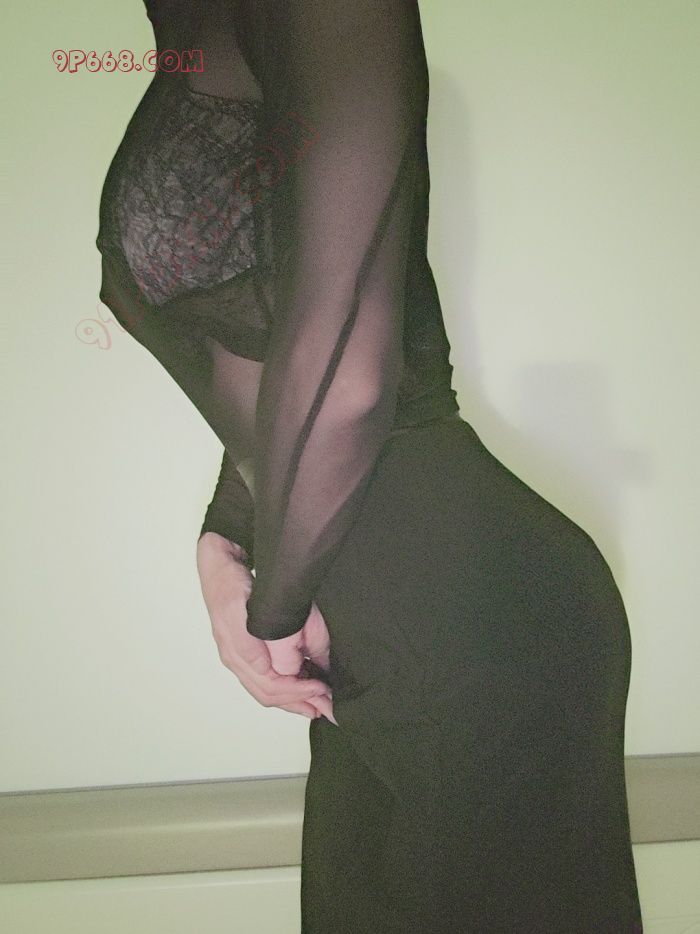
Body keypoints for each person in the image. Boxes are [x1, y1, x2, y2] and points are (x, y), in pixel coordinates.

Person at [95, 1, 644, 930]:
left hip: (474, 634)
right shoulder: (190, 31)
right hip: (378, 639)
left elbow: (348, 382)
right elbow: (269, 359)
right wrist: (224, 543)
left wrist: (273, 610)